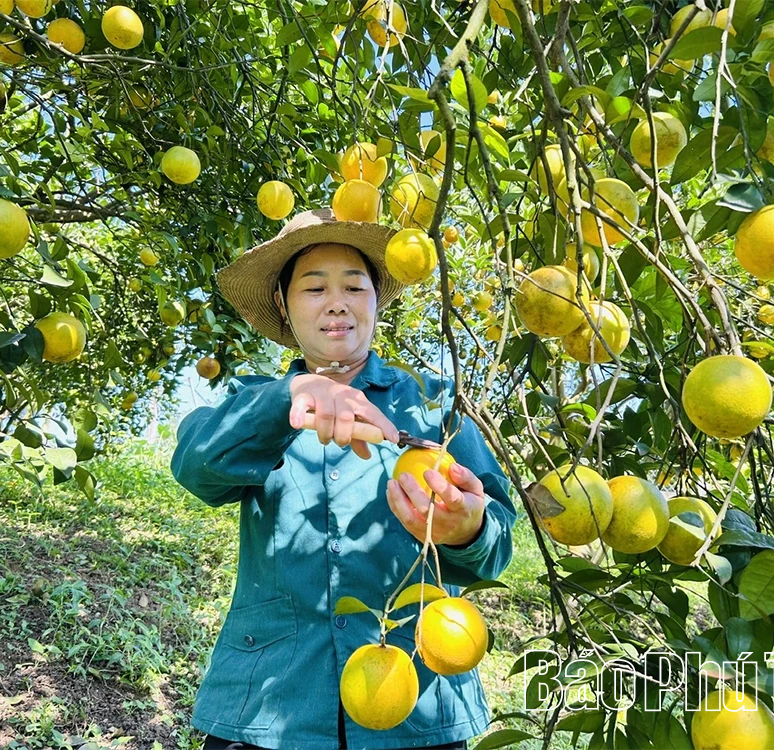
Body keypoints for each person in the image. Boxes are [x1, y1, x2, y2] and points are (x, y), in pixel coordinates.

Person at [171, 208, 517, 750]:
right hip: (269, 702)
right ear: (284, 306)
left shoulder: (433, 404)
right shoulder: (253, 403)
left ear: (376, 302)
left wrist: (467, 530)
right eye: (314, 288)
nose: (336, 301)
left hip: (417, 702)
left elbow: (498, 542)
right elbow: (196, 467)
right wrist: (293, 397)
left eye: (354, 286)